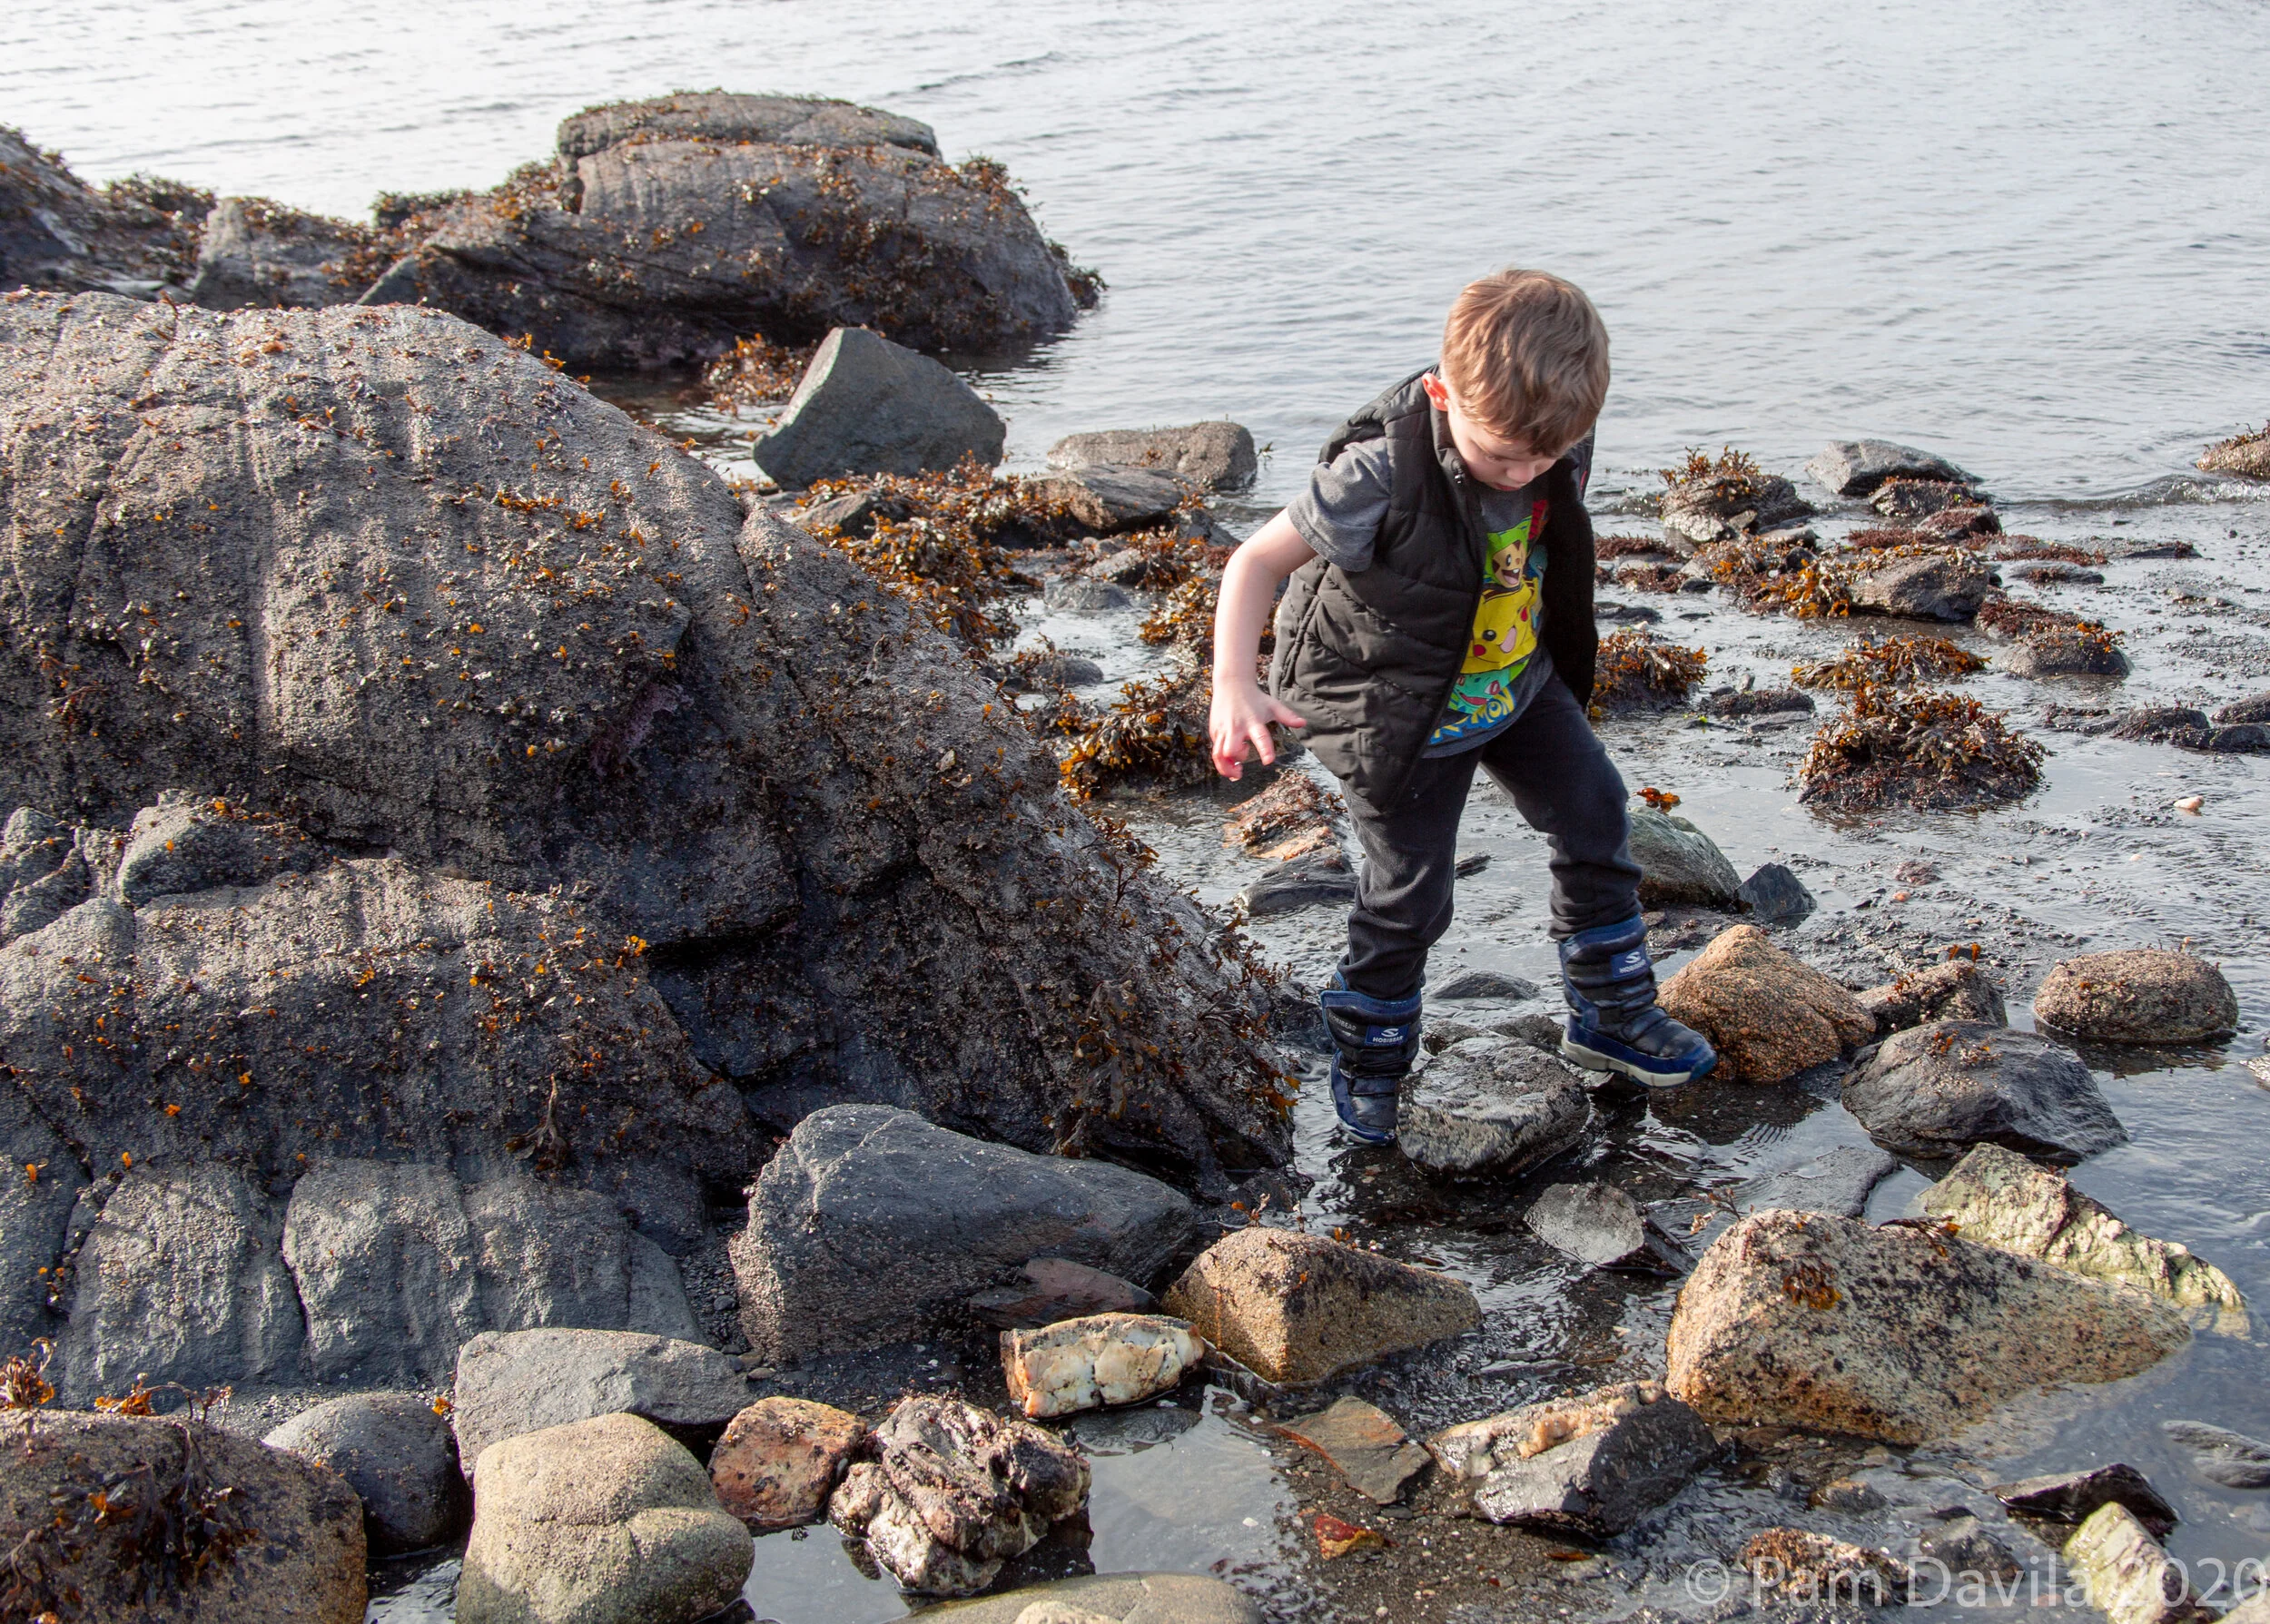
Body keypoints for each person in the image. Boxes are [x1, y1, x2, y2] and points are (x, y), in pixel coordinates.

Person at [1207, 267, 1716, 1144]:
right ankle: (1369, 1054)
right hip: (1389, 702)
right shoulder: (1379, 470)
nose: (1521, 472)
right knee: (1413, 893)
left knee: (1596, 811)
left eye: (1543, 457)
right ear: (1443, 395)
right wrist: (1233, 684)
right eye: (1501, 455)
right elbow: (1254, 562)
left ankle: (1611, 1012)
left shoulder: (1551, 431)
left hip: (1509, 683)